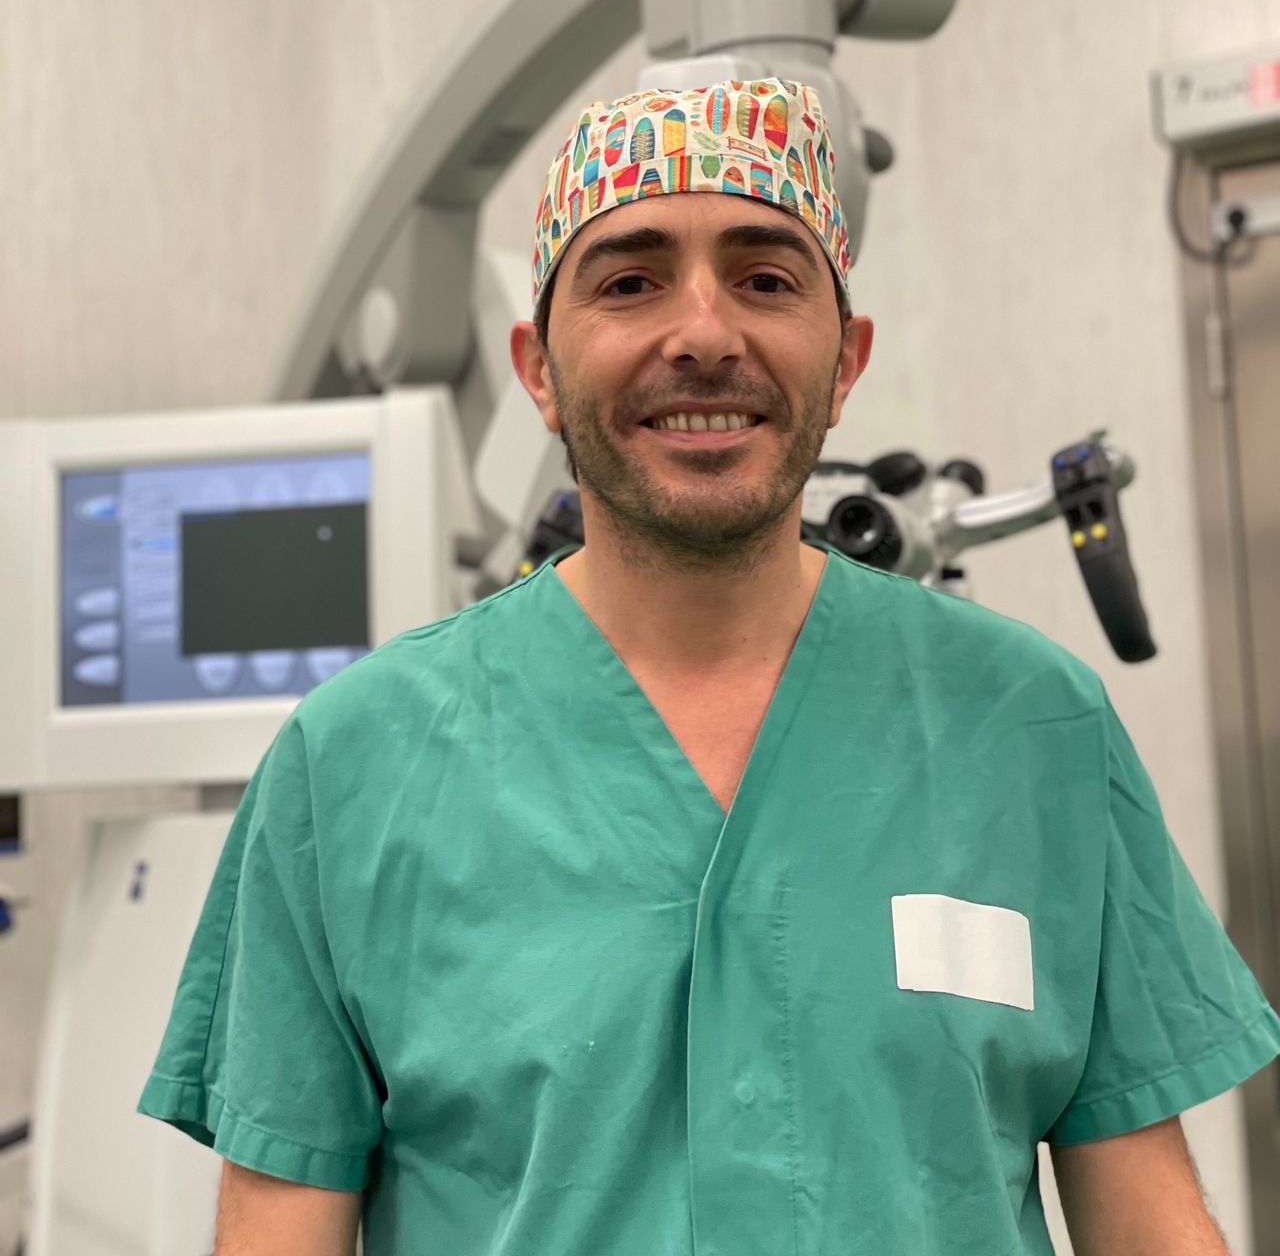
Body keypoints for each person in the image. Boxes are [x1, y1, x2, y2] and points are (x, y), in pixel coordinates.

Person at [140, 78, 1280, 1255]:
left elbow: (1146, 1220)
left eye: (765, 278)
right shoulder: (350, 767)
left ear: (844, 361)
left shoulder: (1031, 728)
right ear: (538, 369)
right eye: (629, 281)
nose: (702, 333)